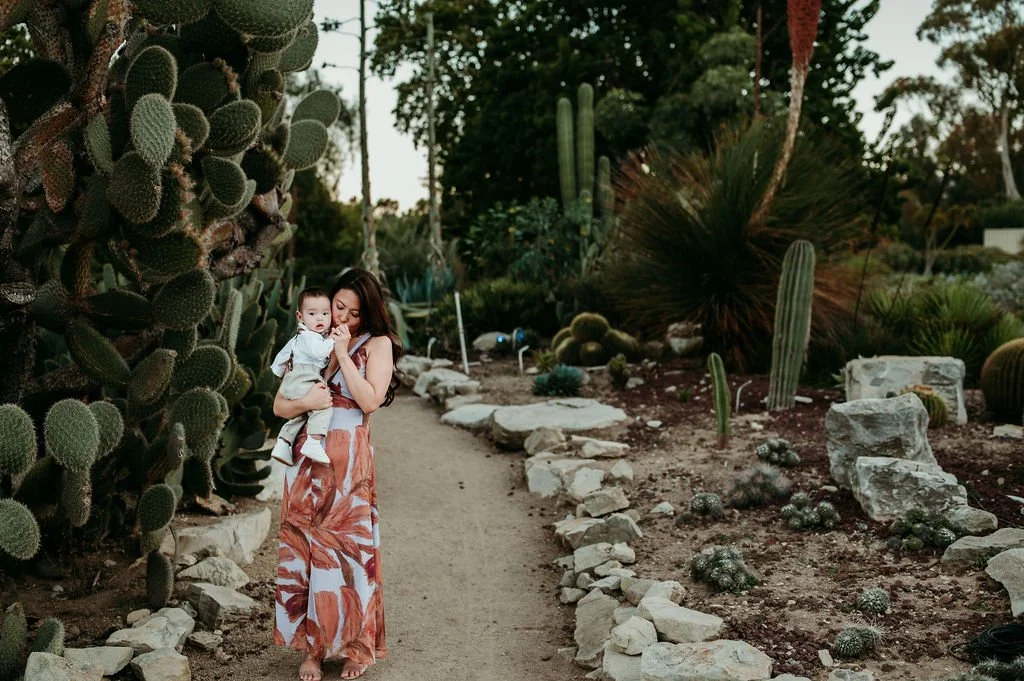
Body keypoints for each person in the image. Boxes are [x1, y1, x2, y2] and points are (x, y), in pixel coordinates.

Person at [272, 268, 402, 681]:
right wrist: (306, 400)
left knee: (348, 555)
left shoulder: (378, 344)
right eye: (337, 308)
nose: (342, 318)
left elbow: (370, 401)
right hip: (306, 460)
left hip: (348, 464)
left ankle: (355, 649)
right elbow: (280, 406)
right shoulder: (310, 340)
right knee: (308, 552)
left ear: (369, 314)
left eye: (352, 312)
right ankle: (313, 649)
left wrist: (344, 355)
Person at [268, 287, 335, 466]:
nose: (320, 318)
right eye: (312, 313)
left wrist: (277, 372)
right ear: (300, 316)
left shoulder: (299, 336)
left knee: (303, 415)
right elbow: (318, 353)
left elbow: (283, 355)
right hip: (306, 376)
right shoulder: (311, 337)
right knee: (323, 406)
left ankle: (282, 443)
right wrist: (333, 340)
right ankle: (313, 443)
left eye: (325, 313)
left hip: (293, 380)